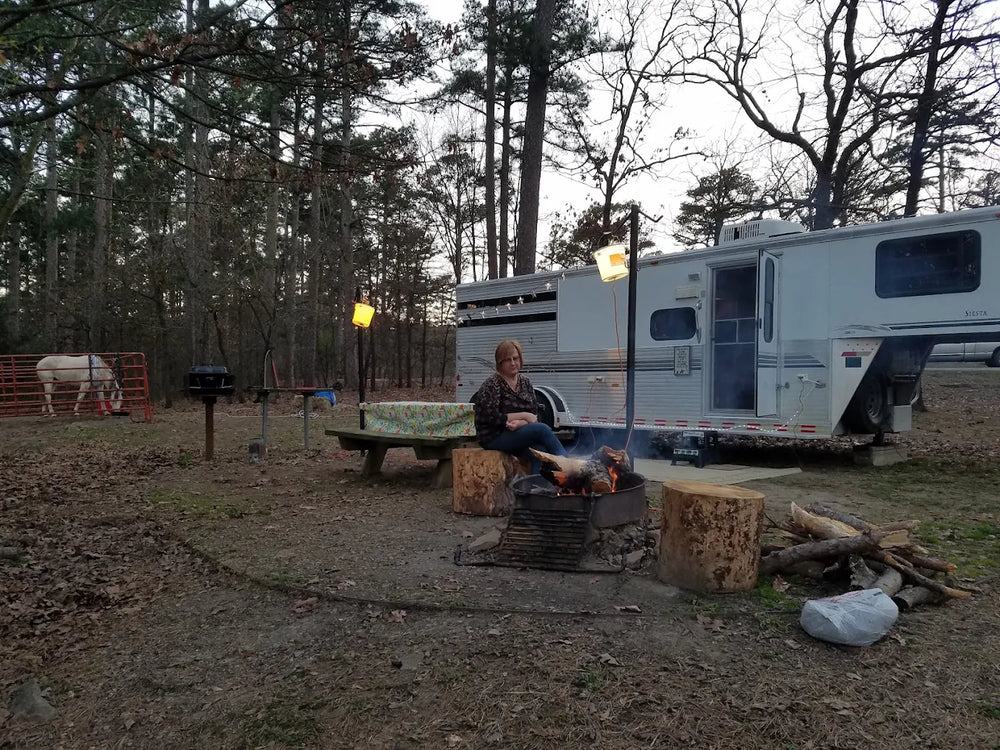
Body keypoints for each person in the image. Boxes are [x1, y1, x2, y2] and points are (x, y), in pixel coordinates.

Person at [472, 339, 568, 473]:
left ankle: (536, 489)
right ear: (500, 363)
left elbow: (534, 416)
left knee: (541, 452)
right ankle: (567, 463)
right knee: (542, 430)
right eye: (507, 360)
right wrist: (524, 416)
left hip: (517, 433)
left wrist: (520, 423)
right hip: (493, 436)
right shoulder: (492, 384)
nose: (513, 363)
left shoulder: (525, 382)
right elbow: (491, 417)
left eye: (515, 358)